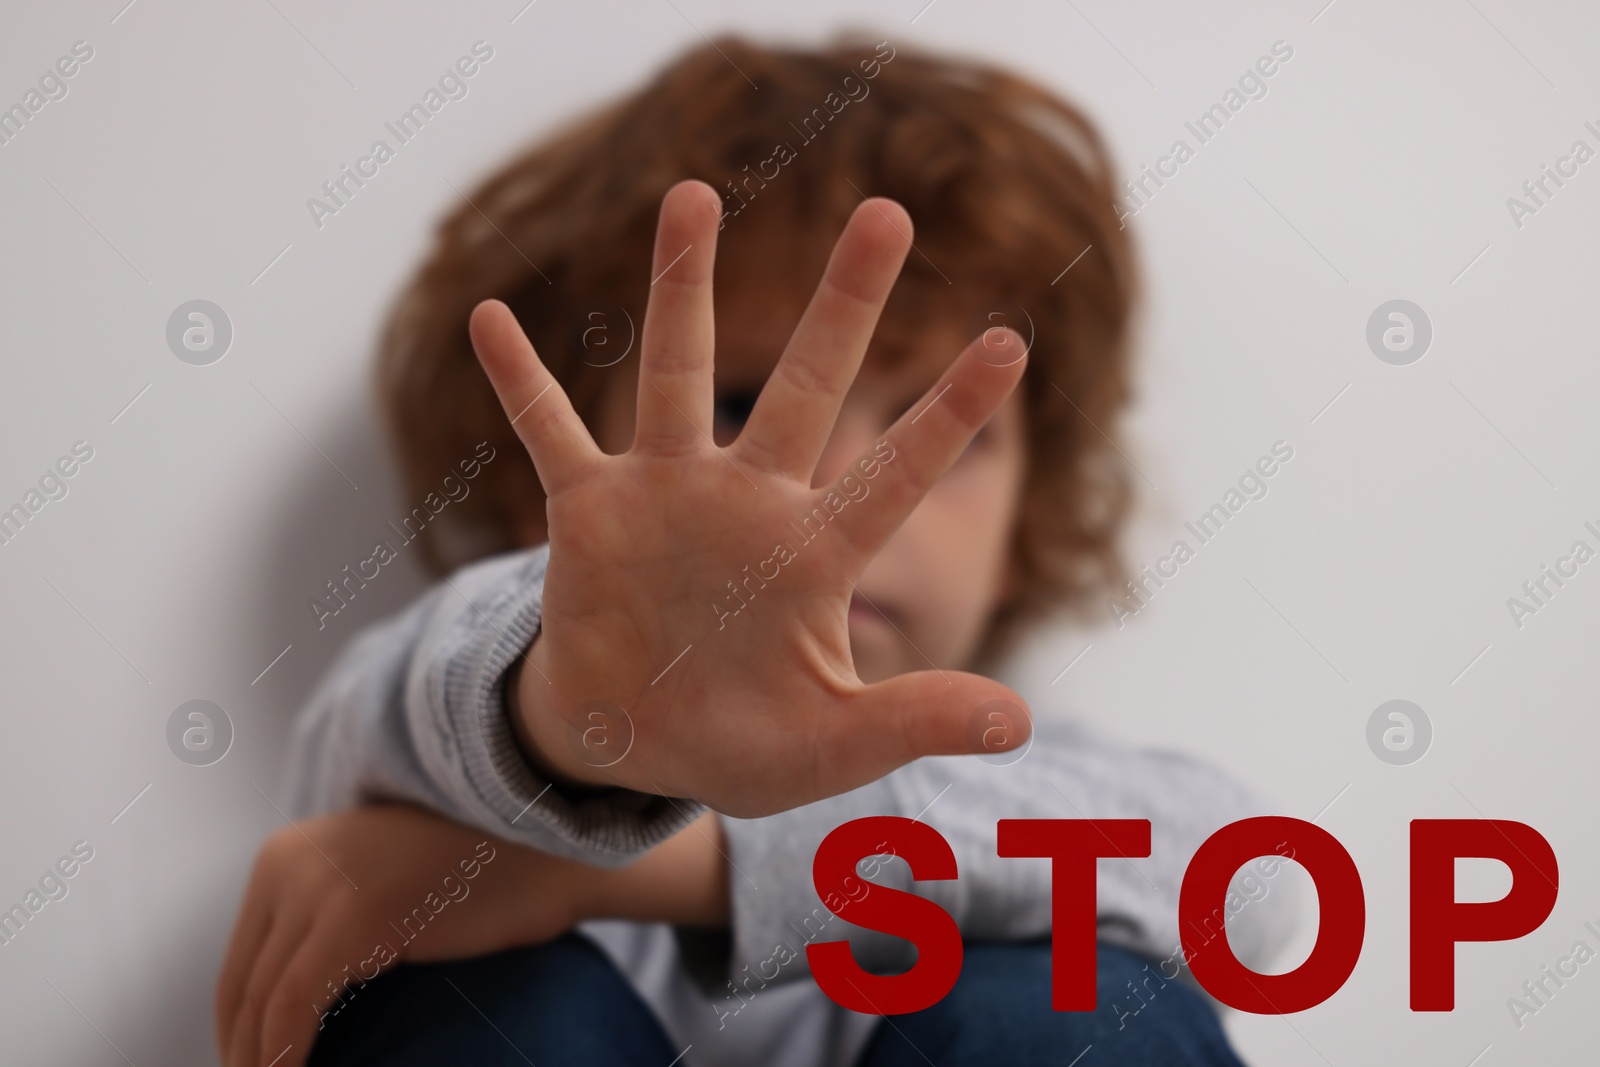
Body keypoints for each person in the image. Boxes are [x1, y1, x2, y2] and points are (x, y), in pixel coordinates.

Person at [214, 34, 1297, 1067]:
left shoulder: (1030, 775)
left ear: (1022, 535)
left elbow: (1251, 883)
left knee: (1075, 999)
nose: (844, 486)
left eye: (946, 435)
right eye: (741, 397)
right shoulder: (457, 707)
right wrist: (564, 718)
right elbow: (377, 729)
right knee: (487, 1004)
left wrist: (623, 875)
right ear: (544, 479)